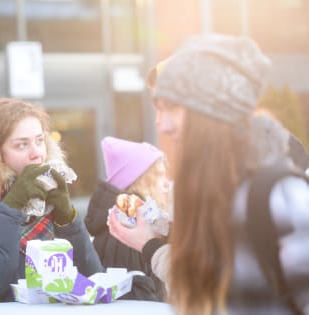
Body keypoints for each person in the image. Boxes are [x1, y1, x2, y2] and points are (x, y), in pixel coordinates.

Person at [108, 33, 309, 314]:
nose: (161, 124)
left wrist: (150, 245)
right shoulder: (199, 187)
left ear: (210, 112)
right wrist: (155, 240)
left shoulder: (280, 194)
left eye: (170, 109)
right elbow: (205, 293)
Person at [0, 98, 103, 305]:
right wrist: (12, 205)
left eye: (39, 141)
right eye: (21, 145)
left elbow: (91, 277)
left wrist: (67, 219)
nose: (36, 153)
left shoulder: (49, 204)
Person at [85, 136, 172, 301]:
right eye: (160, 175)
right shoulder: (127, 228)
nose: (167, 183)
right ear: (138, 181)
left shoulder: (129, 222)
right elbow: (135, 299)